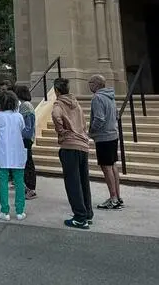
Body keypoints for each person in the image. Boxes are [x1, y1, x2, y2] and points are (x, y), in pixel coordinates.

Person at [52, 77, 93, 230]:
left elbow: (56, 116)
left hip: (69, 145)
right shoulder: (77, 104)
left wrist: (62, 132)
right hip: (82, 144)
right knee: (83, 180)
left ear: (56, 90)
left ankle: (80, 217)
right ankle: (87, 213)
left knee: (72, 182)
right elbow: (83, 122)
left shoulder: (59, 104)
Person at [0, 89, 32, 222]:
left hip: (3, 153)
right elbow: (22, 129)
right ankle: (20, 211)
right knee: (19, 182)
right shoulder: (18, 116)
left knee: (3, 182)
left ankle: (5, 211)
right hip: (17, 152)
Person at [88, 74, 123, 209]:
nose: (89, 85)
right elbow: (116, 115)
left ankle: (113, 198)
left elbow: (99, 118)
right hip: (113, 135)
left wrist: (91, 132)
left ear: (96, 84)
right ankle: (117, 196)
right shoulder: (111, 97)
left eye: (90, 82)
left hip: (103, 137)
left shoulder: (97, 98)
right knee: (113, 165)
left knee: (106, 167)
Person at [15, 83, 37, 199]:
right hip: (26, 138)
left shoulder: (25, 106)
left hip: (26, 139)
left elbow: (28, 126)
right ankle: (27, 187)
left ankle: (30, 188)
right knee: (26, 162)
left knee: (28, 163)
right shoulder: (25, 105)